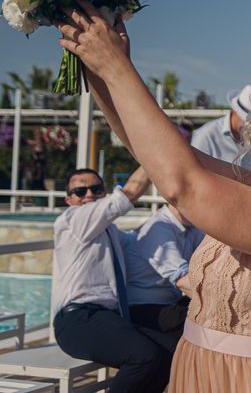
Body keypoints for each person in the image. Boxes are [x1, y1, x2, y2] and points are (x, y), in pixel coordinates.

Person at [56, 0, 251, 392]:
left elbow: (182, 184)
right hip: (196, 373)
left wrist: (117, 67)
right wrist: (99, 66)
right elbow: (153, 154)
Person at [52, 166, 174, 393]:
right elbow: (129, 193)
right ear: (70, 200)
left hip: (106, 318)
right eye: (80, 191)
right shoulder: (72, 220)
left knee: (172, 352)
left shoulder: (111, 233)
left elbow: (140, 241)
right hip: (77, 320)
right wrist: (153, 157)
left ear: (103, 193)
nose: (88, 195)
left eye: (96, 189)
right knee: (143, 356)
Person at [122, 203, 205, 352]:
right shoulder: (158, 228)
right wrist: (219, 305)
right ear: (172, 199)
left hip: (168, 302)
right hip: (142, 309)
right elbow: (182, 280)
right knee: (204, 323)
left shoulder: (191, 225)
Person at [191, 84, 251, 171]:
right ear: (235, 111)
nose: (250, 127)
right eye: (246, 121)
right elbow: (194, 172)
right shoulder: (205, 135)